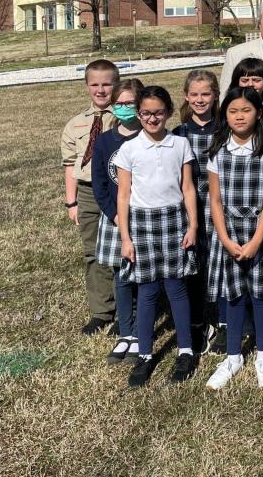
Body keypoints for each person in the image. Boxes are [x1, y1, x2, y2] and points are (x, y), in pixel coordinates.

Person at [115, 86, 199, 388]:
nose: (153, 118)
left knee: (177, 288)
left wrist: (193, 226)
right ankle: (146, 353)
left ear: (168, 112)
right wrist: (126, 238)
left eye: (159, 112)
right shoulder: (129, 149)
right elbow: (123, 196)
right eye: (147, 113)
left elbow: (188, 188)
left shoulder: (180, 144)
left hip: (175, 221)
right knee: (148, 291)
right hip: (142, 225)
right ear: (139, 114)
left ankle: (187, 349)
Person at [204, 87, 263, 391]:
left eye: (246, 110)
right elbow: (215, 202)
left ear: (258, 113)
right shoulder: (218, 151)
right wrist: (225, 239)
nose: (239, 116)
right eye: (233, 110)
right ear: (225, 114)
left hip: (259, 235)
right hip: (228, 235)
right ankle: (233, 356)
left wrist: (256, 242)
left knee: (261, 296)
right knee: (234, 296)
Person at [60, 59, 119, 335]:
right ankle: (101, 311)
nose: (101, 89)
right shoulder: (75, 124)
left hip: (118, 189)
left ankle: (125, 308)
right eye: (94, 84)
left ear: (116, 84)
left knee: (123, 249)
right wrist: (71, 202)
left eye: (107, 83)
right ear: (86, 86)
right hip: (87, 193)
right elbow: (70, 164)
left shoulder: (123, 117)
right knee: (93, 252)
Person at [91, 78, 144, 365]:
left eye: (130, 103)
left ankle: (142, 326)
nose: (124, 108)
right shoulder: (105, 141)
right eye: (119, 103)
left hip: (145, 217)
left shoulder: (149, 137)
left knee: (144, 277)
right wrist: (114, 214)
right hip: (114, 219)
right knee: (122, 276)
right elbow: (100, 183)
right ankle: (126, 330)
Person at [172, 70, 220, 353]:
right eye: (195, 95)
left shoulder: (224, 129)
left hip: (218, 205)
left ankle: (221, 320)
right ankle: (197, 322)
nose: (200, 100)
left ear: (215, 96)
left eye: (206, 94)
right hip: (189, 208)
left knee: (218, 263)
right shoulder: (179, 134)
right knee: (194, 266)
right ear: (186, 97)